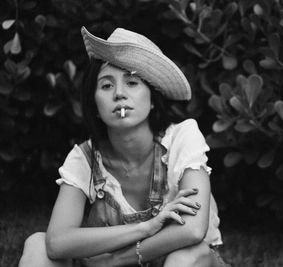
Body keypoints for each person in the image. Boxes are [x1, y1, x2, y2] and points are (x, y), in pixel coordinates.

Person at [18, 26, 227, 267]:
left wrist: (115, 260)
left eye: (132, 82)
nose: (119, 94)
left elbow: (192, 230)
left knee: (185, 256)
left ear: (152, 100)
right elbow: (57, 241)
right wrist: (145, 227)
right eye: (106, 86)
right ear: (95, 106)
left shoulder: (182, 138)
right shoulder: (84, 158)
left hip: (179, 261)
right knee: (37, 245)